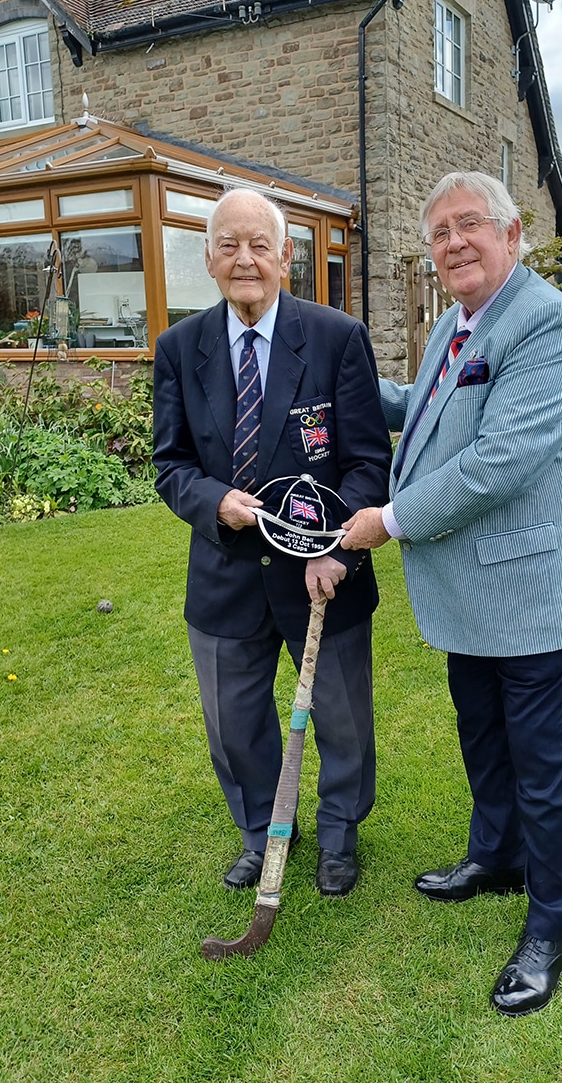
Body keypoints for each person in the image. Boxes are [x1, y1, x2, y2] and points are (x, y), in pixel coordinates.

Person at [341, 171, 562, 1014]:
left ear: (512, 233)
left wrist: (387, 519)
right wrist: (339, 385)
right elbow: (426, 413)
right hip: (475, 599)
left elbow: (495, 463)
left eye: (471, 225)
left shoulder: (545, 323)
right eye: (440, 232)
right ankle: (496, 858)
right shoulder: (456, 327)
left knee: (548, 770)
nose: (455, 242)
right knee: (488, 745)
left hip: (538, 596)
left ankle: (553, 924)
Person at [153, 187, 391, 898]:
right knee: (235, 727)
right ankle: (262, 834)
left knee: (343, 721)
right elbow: (170, 464)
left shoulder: (335, 338)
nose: (245, 259)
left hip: (321, 574)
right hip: (225, 578)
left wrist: (337, 550)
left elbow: (367, 462)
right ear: (209, 258)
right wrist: (212, 501)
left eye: (260, 244)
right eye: (229, 245)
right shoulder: (178, 348)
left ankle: (339, 836)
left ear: (287, 256)